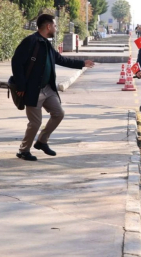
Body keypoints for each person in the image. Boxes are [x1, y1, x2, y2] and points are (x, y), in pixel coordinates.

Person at [12, 14, 95, 161]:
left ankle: (42, 141)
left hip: (47, 89)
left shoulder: (46, 43)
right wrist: (21, 85)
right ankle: (23, 150)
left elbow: (60, 59)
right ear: (48, 26)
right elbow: (16, 62)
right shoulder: (30, 41)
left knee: (58, 113)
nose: (56, 28)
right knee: (35, 123)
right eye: (55, 26)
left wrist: (82, 63)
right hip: (32, 90)